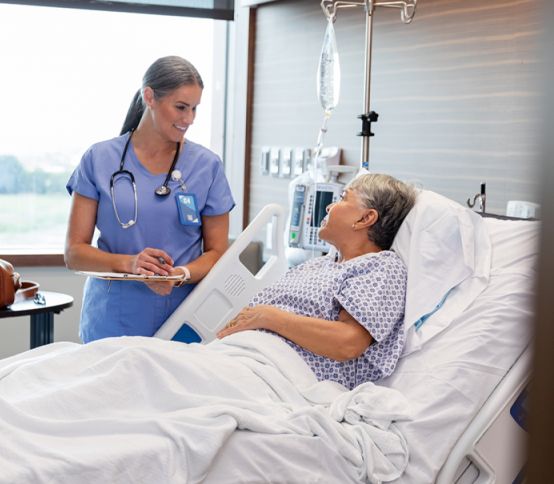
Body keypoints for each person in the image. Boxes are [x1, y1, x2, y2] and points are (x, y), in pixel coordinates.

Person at [65, 56, 235, 343]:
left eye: (194, 108)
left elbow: (217, 253)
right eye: (180, 107)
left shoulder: (207, 166)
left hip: (184, 321)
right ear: (149, 97)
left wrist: (177, 275)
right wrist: (130, 264)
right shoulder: (99, 158)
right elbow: (74, 253)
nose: (189, 119)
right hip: (111, 322)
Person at [217, 173, 417, 389]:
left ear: (365, 218)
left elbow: (349, 343)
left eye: (343, 198)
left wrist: (269, 317)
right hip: (239, 355)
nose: (329, 207)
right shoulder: (317, 265)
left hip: (279, 373)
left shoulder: (380, 267)